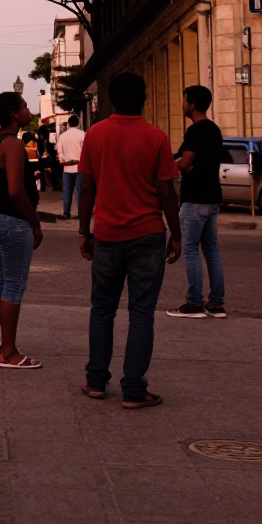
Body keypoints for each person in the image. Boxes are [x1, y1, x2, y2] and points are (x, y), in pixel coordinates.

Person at [77, 72, 181, 409]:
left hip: (106, 233)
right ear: (143, 100)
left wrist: (84, 231)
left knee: (102, 310)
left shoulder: (95, 135)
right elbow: (167, 192)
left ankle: (95, 382)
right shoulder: (156, 138)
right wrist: (176, 233)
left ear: (111, 101)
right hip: (148, 234)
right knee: (141, 314)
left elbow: (87, 188)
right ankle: (134, 389)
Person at [0, 92, 43, 368]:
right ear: (15, 114)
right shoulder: (13, 145)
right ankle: (9, 352)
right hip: (13, 219)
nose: (29, 111)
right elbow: (16, 191)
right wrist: (35, 222)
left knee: (3, 282)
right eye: (26, 107)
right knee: (14, 285)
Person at [166, 85, 226, 319]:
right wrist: (185, 163)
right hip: (213, 197)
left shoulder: (196, 131)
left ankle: (194, 303)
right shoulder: (214, 130)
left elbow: (184, 162)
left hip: (195, 198)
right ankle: (216, 304)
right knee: (211, 250)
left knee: (190, 249)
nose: (182, 105)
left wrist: (177, 165)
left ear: (191, 104)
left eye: (184, 101)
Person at [56, 114, 86, 219]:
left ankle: (66, 212)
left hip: (67, 167)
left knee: (67, 191)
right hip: (80, 167)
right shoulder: (83, 134)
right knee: (80, 191)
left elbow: (60, 153)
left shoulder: (62, 136)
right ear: (78, 124)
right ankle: (80, 211)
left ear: (68, 124)